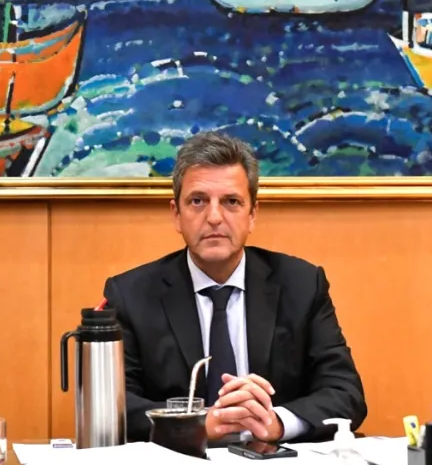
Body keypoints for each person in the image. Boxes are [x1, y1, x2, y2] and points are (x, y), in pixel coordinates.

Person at [102, 131, 366, 444]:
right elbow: (115, 406)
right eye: (198, 201)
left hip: (275, 464)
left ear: (252, 215)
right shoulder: (131, 295)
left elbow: (345, 392)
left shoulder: (302, 285)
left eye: (231, 202)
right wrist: (196, 423)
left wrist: (276, 422)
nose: (214, 217)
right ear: (176, 215)